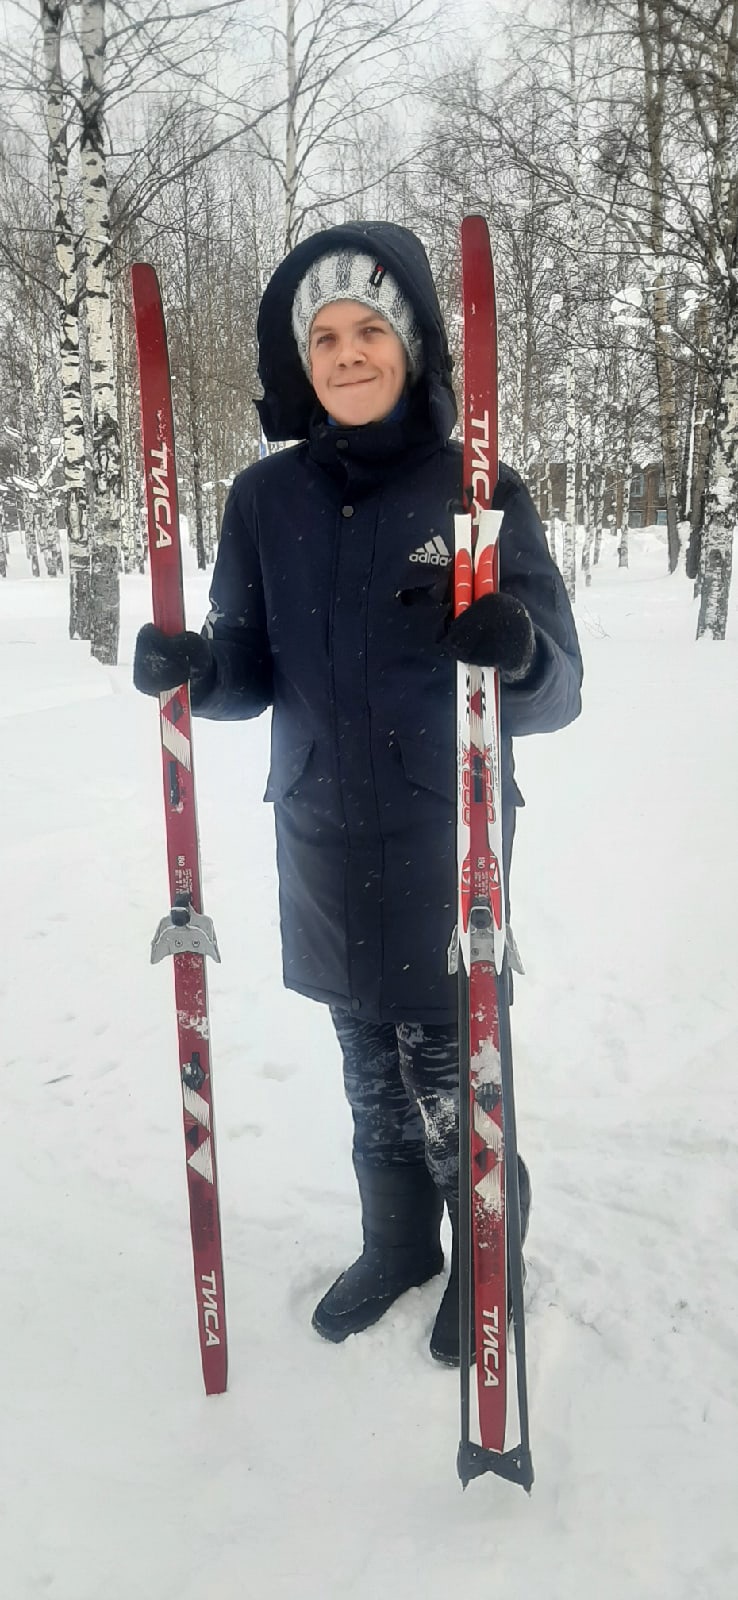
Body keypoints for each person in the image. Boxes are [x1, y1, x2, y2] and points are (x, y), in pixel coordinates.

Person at [133, 221, 582, 1366]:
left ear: (412, 344)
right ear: (304, 359)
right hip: (323, 830)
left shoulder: (479, 489)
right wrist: (194, 671)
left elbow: (558, 690)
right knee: (367, 1066)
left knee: (453, 1066)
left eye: (369, 329)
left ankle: (487, 1252)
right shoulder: (264, 499)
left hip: (446, 833)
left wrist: (517, 648)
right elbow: (247, 666)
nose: (346, 353)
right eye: (324, 336)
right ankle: (398, 1243)